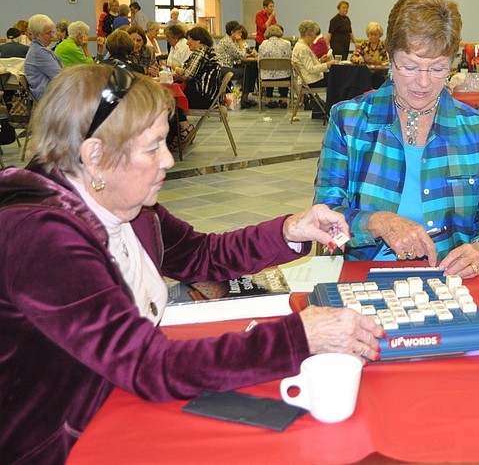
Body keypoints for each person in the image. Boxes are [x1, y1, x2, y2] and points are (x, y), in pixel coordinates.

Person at [0, 63, 383, 463]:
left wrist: (291, 229)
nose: (167, 160)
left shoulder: (126, 205)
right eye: (152, 148)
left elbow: (202, 254)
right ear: (94, 157)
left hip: (117, 399)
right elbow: (147, 364)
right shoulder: (41, 236)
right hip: (66, 439)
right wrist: (296, 338)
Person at [314, 0, 479, 277]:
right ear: (389, 57)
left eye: (437, 69)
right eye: (409, 66)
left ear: (452, 64)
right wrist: (375, 223)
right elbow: (325, 220)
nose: (423, 82)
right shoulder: (349, 121)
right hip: (364, 278)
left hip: (450, 281)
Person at [174, 26, 221, 109]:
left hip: (201, 97)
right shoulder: (211, 52)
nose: (187, 43)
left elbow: (187, 75)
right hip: (212, 97)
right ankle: (182, 121)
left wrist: (176, 68)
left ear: (198, 40)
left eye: (189, 39)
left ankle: (182, 121)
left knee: (170, 97)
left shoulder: (201, 53)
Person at [23, 14, 63, 100]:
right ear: (37, 35)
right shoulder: (39, 52)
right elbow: (60, 76)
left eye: (52, 32)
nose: (52, 36)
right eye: (48, 33)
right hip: (49, 99)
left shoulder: (39, 49)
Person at [291, 19, 336, 89]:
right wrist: (327, 65)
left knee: (334, 76)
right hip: (310, 81)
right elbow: (311, 69)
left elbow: (307, 65)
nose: (315, 36)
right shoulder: (302, 49)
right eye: (314, 34)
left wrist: (320, 60)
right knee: (337, 78)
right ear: (307, 34)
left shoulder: (302, 46)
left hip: (309, 78)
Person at [257, 24, 292, 104]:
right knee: (284, 73)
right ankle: (284, 101)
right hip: (284, 75)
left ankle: (269, 100)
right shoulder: (287, 43)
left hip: (267, 76)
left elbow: (259, 61)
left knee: (268, 73)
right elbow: (290, 58)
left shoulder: (263, 44)